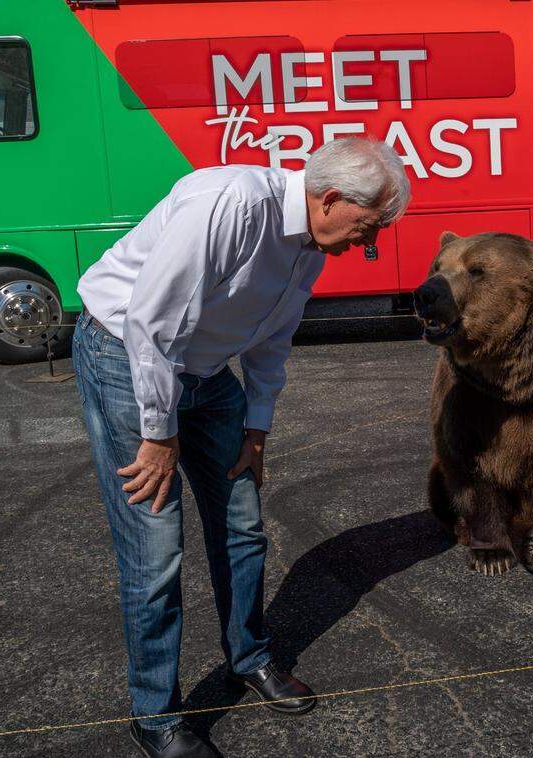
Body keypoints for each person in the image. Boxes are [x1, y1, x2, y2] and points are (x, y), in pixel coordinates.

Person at [73, 138, 411, 758]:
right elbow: (151, 321)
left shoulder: (311, 245)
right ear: (331, 199)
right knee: (156, 548)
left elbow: (270, 341)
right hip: (126, 356)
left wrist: (257, 429)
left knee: (242, 522)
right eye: (367, 226)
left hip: (203, 369)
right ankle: (155, 720)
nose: (369, 243)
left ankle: (249, 656)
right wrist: (159, 434)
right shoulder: (230, 204)